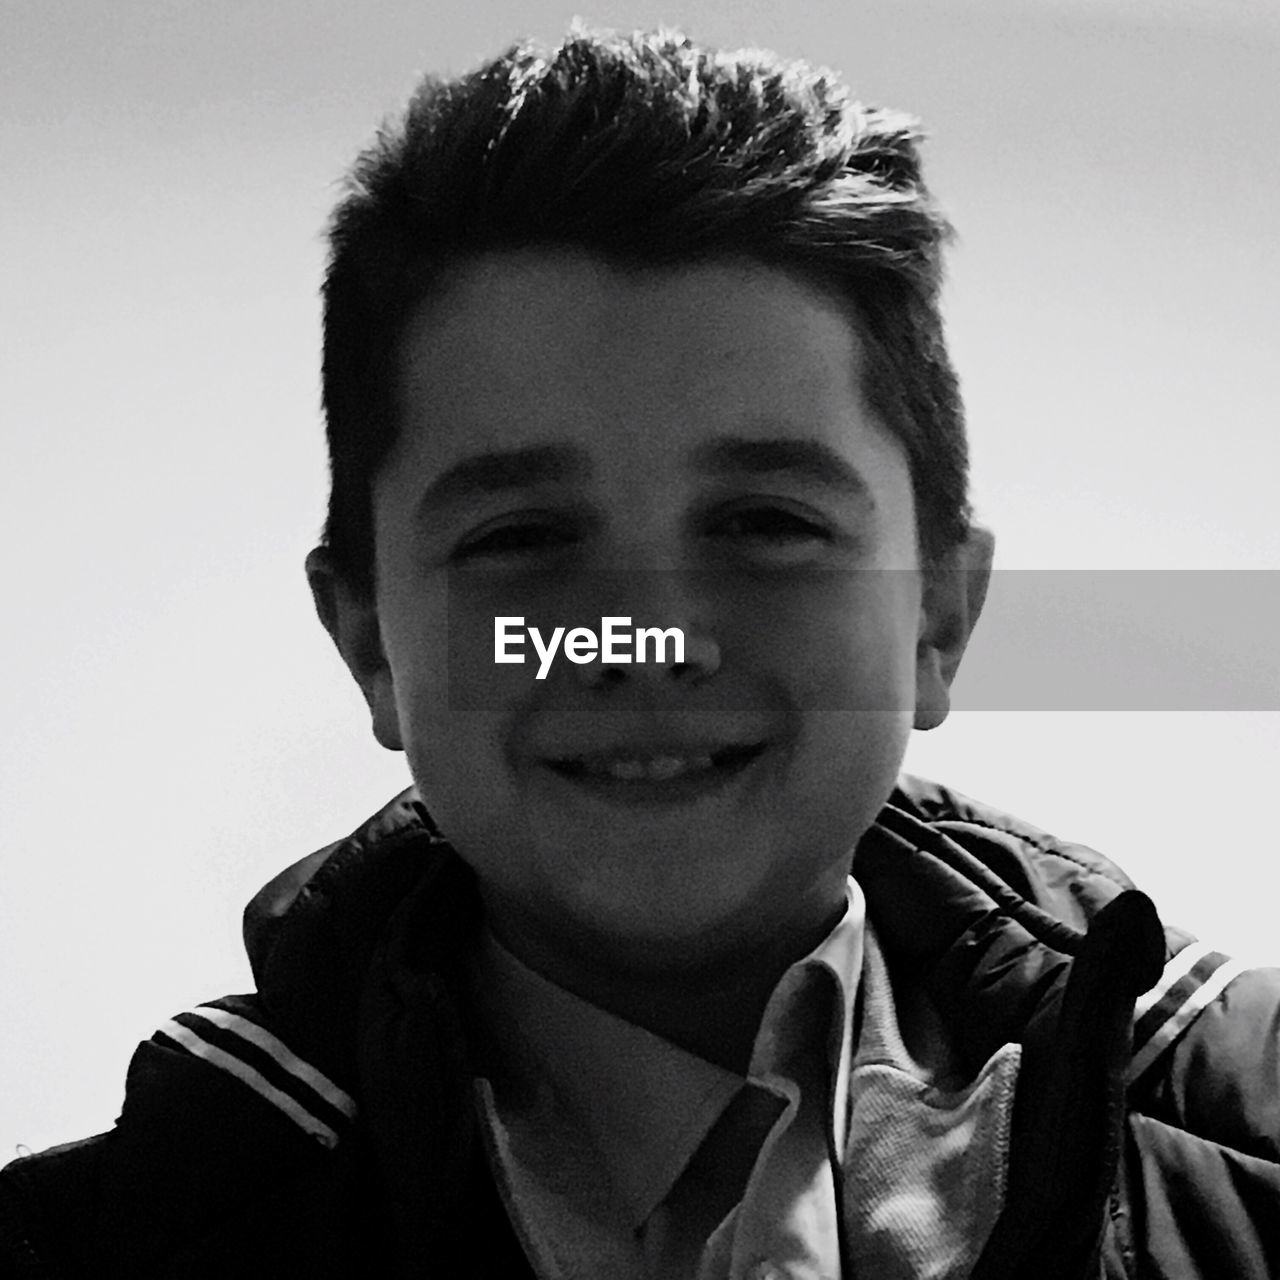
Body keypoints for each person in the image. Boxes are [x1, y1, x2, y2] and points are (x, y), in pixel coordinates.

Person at [2, 24, 1276, 1279]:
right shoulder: (97, 1245)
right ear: (369, 643)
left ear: (938, 617)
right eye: (523, 536)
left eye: (764, 523)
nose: (648, 640)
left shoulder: (1246, 1156)